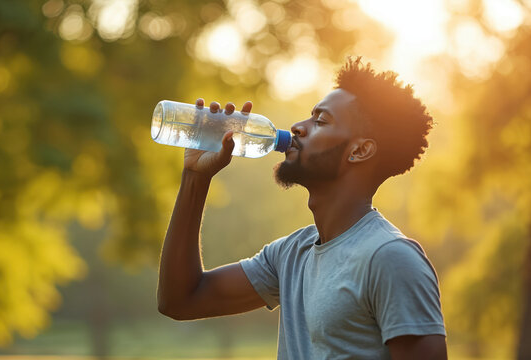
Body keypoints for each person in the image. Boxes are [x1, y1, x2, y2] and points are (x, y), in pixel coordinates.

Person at [157, 57, 447, 359]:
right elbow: (180, 301)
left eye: (321, 121)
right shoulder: (291, 255)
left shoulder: (390, 258)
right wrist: (196, 177)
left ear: (360, 150)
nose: (297, 127)